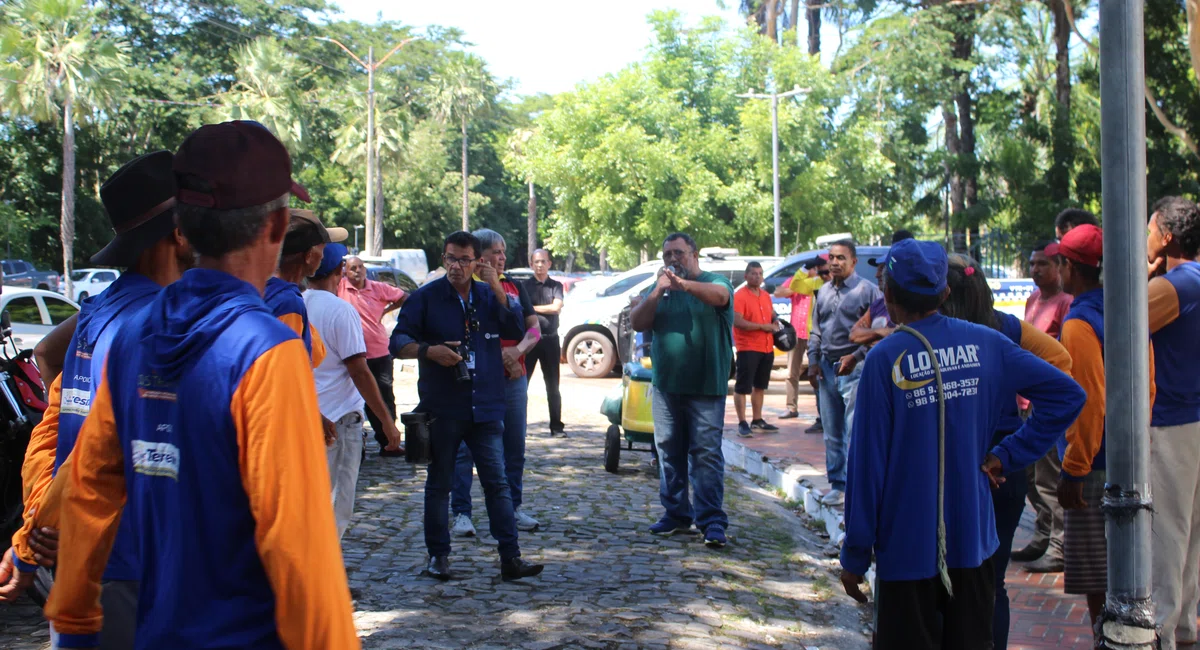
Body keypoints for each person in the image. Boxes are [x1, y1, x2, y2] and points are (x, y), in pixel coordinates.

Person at [41, 121, 359, 648]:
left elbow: (89, 482)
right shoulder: (264, 349)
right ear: (277, 225)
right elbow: (299, 548)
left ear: (183, 229)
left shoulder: (136, 334)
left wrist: (73, 612)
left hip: (156, 629)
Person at [840, 238, 1085, 649]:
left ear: (888, 295)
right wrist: (1009, 455)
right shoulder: (987, 343)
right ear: (944, 292)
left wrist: (855, 556)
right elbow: (1068, 395)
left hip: (905, 549)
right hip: (973, 542)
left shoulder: (885, 359)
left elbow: (866, 467)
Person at [0, 151, 195, 650]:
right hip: (131, 559)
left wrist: (39, 521)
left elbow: (54, 422)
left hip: (88, 552)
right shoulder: (157, 324)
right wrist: (33, 535)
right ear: (178, 232)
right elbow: (94, 442)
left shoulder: (99, 311)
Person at [391, 230, 544, 582]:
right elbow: (398, 342)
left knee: (498, 482)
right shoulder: (427, 297)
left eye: (463, 259)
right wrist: (430, 351)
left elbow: (517, 326)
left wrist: (496, 292)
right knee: (439, 483)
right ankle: (438, 556)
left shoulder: (490, 296)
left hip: (487, 405)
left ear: (478, 262)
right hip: (443, 406)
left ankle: (511, 557)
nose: (455, 266)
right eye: (449, 258)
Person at [937, 253, 1072, 650]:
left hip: (954, 468)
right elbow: (1061, 364)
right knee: (992, 581)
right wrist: (1020, 443)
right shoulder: (1006, 329)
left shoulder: (934, 337)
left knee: (944, 576)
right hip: (1001, 466)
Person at [1049, 223, 1155, 634]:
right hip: (1130, 458)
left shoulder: (1078, 323)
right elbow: (1148, 386)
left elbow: (1088, 402)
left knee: (1099, 581)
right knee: (1129, 573)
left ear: (1068, 267)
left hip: (1093, 467)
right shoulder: (1128, 308)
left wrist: (1074, 468)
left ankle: (1108, 643)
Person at [630, 232, 734, 549]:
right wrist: (657, 291)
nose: (673, 259)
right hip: (666, 386)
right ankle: (676, 514)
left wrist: (682, 285)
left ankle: (712, 521)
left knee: (705, 455)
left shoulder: (715, 280)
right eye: (667, 255)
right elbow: (637, 322)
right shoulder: (660, 287)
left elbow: (720, 297)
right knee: (669, 452)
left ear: (694, 253)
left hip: (705, 386)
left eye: (679, 253)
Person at [306, 243, 404, 539]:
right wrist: (387, 423)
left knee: (311, 502)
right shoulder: (341, 311)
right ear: (340, 272)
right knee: (336, 507)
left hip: (309, 412)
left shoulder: (296, 301)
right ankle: (325, 579)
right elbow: (359, 371)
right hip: (338, 420)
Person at [451, 229, 542, 537]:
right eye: (496, 252)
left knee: (514, 445)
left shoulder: (514, 286)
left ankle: (512, 507)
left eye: (504, 252)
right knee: (464, 449)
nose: (502, 258)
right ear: (480, 255)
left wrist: (517, 352)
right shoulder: (462, 285)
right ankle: (462, 511)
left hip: (514, 377)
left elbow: (533, 329)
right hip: (475, 379)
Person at [1146, 196, 1200, 650]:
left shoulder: (1175, 286)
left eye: (1149, 230)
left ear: (1167, 237)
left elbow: (1119, 328)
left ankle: (1163, 632)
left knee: (1167, 533)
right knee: (1191, 535)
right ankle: (1182, 630)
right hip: (1193, 419)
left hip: (1172, 422)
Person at [1011, 241, 1074, 573]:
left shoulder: (1067, 304)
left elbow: (1063, 356)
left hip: (1046, 403)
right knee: (1030, 477)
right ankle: (1042, 534)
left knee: (1050, 477)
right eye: (1032, 264)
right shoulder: (1034, 299)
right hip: (1025, 400)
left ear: (1059, 267)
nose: (1035, 270)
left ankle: (1059, 546)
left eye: (1042, 264)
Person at [807, 240, 881, 506]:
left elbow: (877, 335)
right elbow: (816, 330)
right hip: (827, 367)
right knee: (831, 429)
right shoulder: (823, 291)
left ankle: (857, 488)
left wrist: (857, 357)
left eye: (841, 258)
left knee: (854, 430)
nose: (835, 262)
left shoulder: (868, 292)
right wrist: (813, 361)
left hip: (855, 368)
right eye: (831, 258)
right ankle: (837, 484)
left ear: (853, 262)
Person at [339, 254, 407, 457]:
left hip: (379, 351)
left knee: (385, 394)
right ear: (345, 271)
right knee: (356, 399)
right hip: (351, 354)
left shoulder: (377, 287)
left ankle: (389, 442)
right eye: (353, 268)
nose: (357, 271)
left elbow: (405, 297)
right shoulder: (339, 288)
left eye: (360, 267)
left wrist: (386, 310)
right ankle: (356, 443)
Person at [775, 255, 828, 431]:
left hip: (818, 334)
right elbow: (782, 291)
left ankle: (824, 416)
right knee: (792, 371)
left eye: (822, 267)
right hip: (799, 331)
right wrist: (803, 272)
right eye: (817, 266)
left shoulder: (819, 282)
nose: (820, 270)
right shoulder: (809, 282)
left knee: (820, 374)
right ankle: (791, 407)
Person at [732, 261, 780, 437]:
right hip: (748, 347)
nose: (757, 276)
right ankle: (742, 422)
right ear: (746, 276)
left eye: (760, 273)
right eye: (753, 273)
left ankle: (757, 420)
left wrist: (776, 321)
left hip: (767, 347)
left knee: (760, 386)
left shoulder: (766, 295)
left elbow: (772, 315)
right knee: (742, 387)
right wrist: (763, 326)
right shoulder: (739, 296)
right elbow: (738, 321)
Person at [524, 248, 565, 436]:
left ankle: (556, 427)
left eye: (543, 261)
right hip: (529, 341)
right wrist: (541, 309)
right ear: (531, 264)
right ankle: (518, 425)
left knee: (553, 386)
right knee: (521, 385)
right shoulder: (523, 286)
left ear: (549, 264)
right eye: (536, 262)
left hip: (550, 340)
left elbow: (556, 308)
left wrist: (532, 308)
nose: (540, 265)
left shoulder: (556, 285)